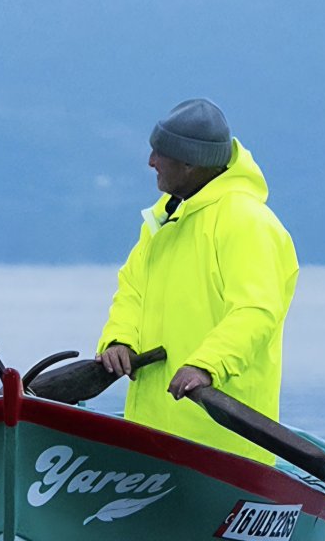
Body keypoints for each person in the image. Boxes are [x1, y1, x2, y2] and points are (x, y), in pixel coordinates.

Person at [95, 98, 299, 465]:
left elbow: (256, 311)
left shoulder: (247, 222)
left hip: (224, 448)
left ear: (189, 161)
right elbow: (131, 290)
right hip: (152, 437)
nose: (150, 162)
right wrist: (119, 338)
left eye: (160, 153)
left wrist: (206, 365)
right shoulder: (162, 221)